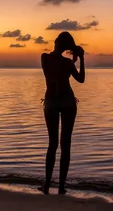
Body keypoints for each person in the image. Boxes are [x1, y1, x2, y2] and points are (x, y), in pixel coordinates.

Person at [39, 31, 85, 195]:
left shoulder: (45, 58)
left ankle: (47, 185)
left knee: (54, 144)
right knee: (65, 145)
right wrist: (80, 59)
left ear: (56, 42)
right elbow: (81, 79)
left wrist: (76, 59)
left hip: (53, 101)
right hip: (66, 101)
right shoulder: (66, 63)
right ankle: (60, 187)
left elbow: (78, 79)